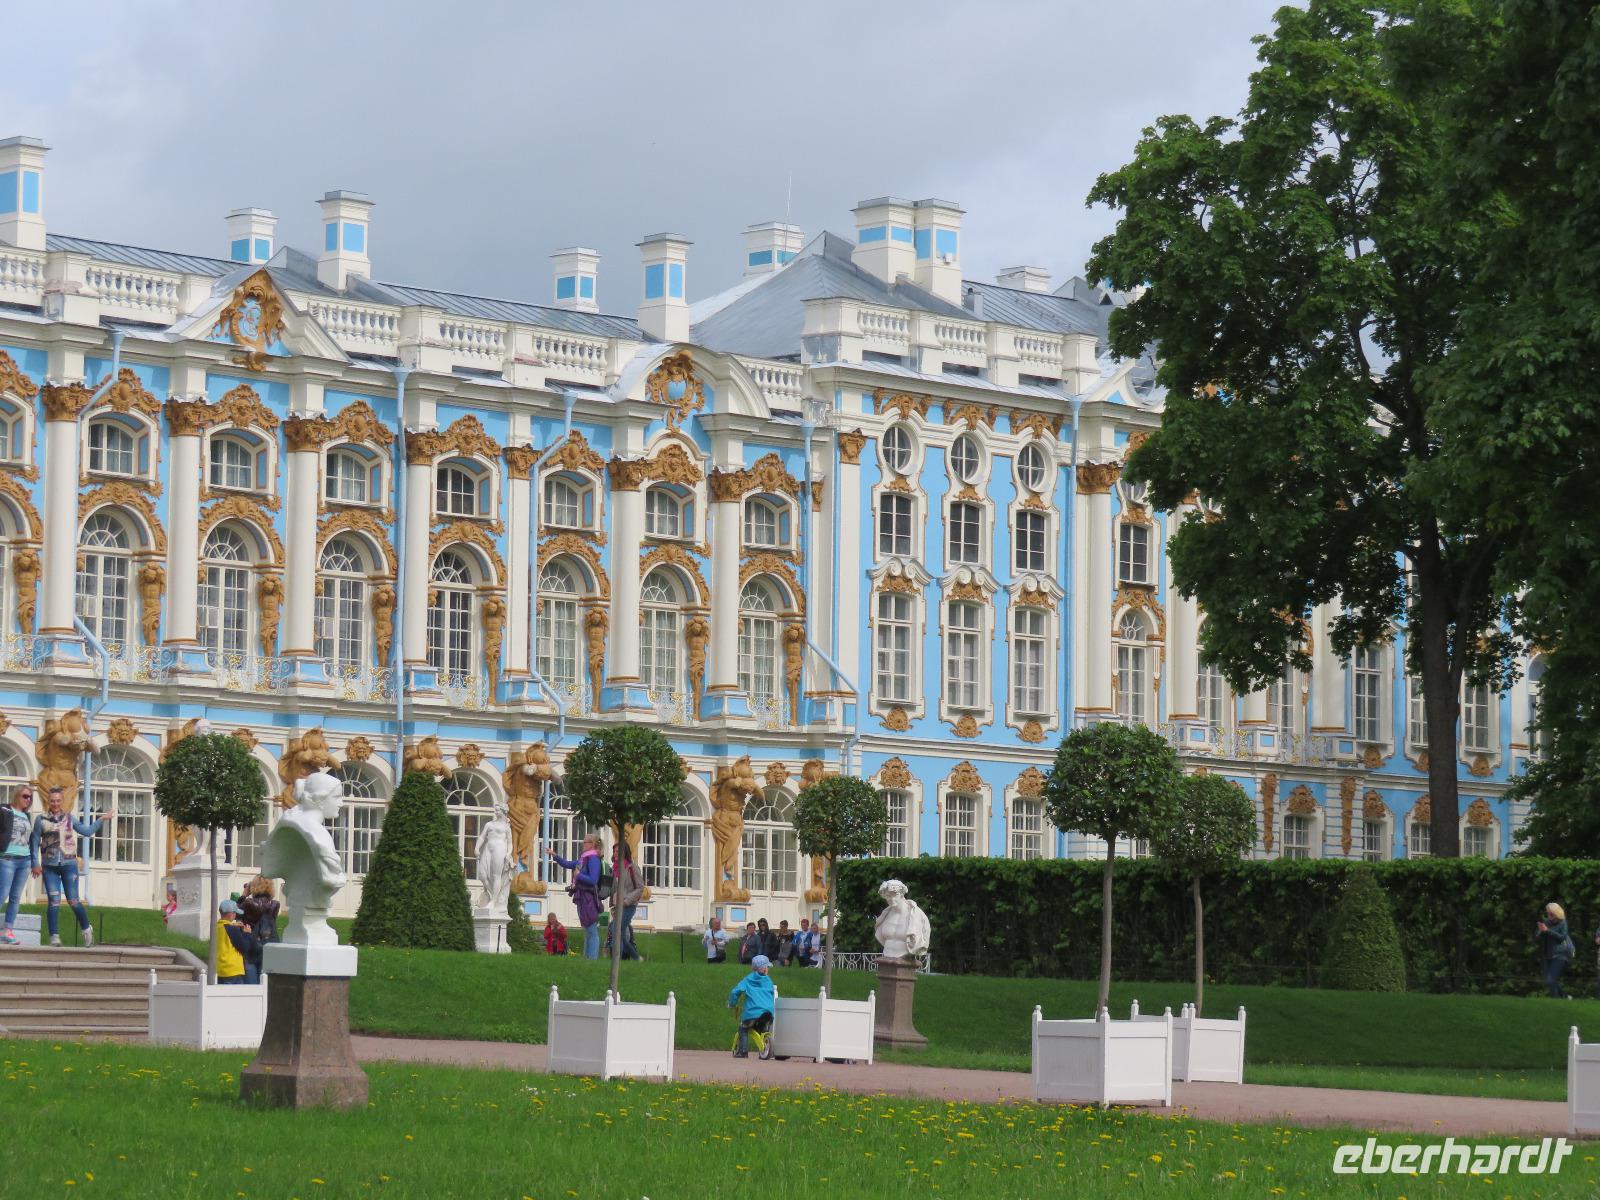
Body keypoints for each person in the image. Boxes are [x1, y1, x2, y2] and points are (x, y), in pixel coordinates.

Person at [31, 786, 111, 948]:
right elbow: (34, 843)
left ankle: (86, 928)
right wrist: (35, 863)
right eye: (52, 801)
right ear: (48, 801)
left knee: (73, 901)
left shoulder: (69, 818)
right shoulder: (41, 820)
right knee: (53, 901)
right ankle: (54, 935)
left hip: (69, 864)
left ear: (62, 801)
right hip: (50, 865)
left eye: (58, 801)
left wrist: (101, 819)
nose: (55, 803)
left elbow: (86, 831)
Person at [549, 835, 604, 959]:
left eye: (585, 842)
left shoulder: (594, 859)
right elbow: (568, 864)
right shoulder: (583, 859)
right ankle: (587, 959)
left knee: (591, 930)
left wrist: (579, 876)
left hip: (589, 898)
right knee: (587, 930)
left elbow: (593, 879)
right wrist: (555, 855)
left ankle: (592, 959)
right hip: (582, 897)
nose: (583, 844)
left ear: (593, 844)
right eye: (583, 842)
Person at [1, 786, 36, 945]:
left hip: (25, 861)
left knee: (15, 898)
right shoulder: (4, 811)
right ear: (17, 795)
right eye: (25, 796)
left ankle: (8, 931)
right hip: (7, 859)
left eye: (30, 797)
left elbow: (30, 840)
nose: (28, 800)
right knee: (2, 894)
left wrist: (34, 861)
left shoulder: (26, 816)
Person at [727, 953, 776, 1059]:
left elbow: (735, 992)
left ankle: (742, 1051)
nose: (768, 969)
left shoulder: (748, 980)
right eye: (767, 967)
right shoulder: (768, 980)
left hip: (752, 1012)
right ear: (763, 969)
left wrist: (732, 1004)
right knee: (763, 1029)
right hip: (768, 1012)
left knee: (743, 1028)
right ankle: (765, 1048)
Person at [614, 843, 645, 961]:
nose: (615, 854)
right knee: (619, 932)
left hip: (629, 905)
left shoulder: (632, 868)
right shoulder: (616, 868)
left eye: (618, 851)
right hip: (618, 905)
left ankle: (634, 957)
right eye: (614, 851)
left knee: (619, 931)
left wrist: (627, 900)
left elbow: (640, 887)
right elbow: (616, 887)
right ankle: (625, 957)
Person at [215, 899, 259, 985]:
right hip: (232, 970)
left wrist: (233, 925)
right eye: (235, 912)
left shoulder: (216, 927)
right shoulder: (232, 929)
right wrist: (247, 934)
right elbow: (244, 947)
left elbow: (225, 933)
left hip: (219, 969)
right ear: (231, 914)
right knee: (234, 997)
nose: (235, 915)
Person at [1538, 902, 1574, 999]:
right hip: (1547, 955)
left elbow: (1562, 937)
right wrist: (1541, 931)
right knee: (1549, 980)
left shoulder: (1563, 922)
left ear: (1556, 913)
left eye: (1551, 913)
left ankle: (1555, 999)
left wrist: (1548, 931)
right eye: (1548, 913)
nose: (1549, 916)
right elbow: (1536, 937)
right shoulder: (1546, 922)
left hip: (1560, 954)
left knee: (1551, 979)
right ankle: (1565, 996)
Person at [240, 876, 280, 945]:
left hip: (251, 941)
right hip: (269, 941)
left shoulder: (248, 904)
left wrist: (243, 895)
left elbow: (234, 913)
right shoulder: (275, 904)